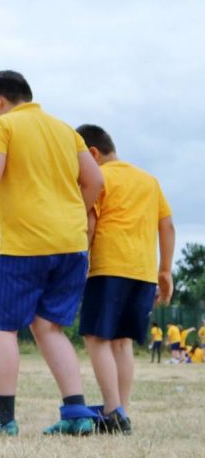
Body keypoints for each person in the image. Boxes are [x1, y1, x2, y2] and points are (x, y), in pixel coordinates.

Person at [0, 70, 103, 436]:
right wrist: (70, 215)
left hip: (24, 244)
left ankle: (2, 418)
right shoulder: (65, 130)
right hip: (71, 245)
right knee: (48, 326)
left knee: (1, 327)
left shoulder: (3, 126)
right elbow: (95, 181)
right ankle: (77, 413)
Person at [75, 124, 174, 435]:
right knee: (122, 341)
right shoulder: (149, 180)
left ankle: (111, 409)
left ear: (92, 154)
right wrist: (165, 270)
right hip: (143, 271)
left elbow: (91, 223)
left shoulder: (98, 178)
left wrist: (79, 260)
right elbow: (167, 225)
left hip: (109, 266)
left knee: (96, 337)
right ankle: (122, 410)